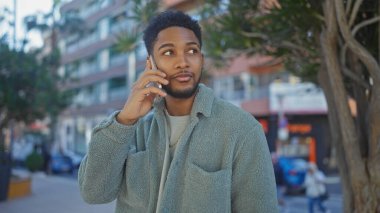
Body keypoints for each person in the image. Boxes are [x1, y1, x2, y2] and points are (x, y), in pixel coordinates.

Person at [78, 10, 278, 213]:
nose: (183, 62)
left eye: (192, 51)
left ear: (202, 59)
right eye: (168, 52)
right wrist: (125, 120)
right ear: (150, 64)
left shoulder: (241, 129)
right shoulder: (133, 129)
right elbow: (94, 193)